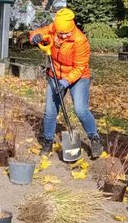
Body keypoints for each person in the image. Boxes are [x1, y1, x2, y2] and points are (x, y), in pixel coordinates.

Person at [29, 8, 103, 159]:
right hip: (54, 74)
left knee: (81, 110)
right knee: (50, 111)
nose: (63, 36)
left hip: (78, 77)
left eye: (66, 33)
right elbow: (35, 33)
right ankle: (48, 141)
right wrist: (35, 38)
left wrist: (66, 81)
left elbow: (80, 67)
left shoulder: (80, 40)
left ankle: (94, 139)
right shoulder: (53, 28)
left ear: (72, 27)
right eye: (60, 33)